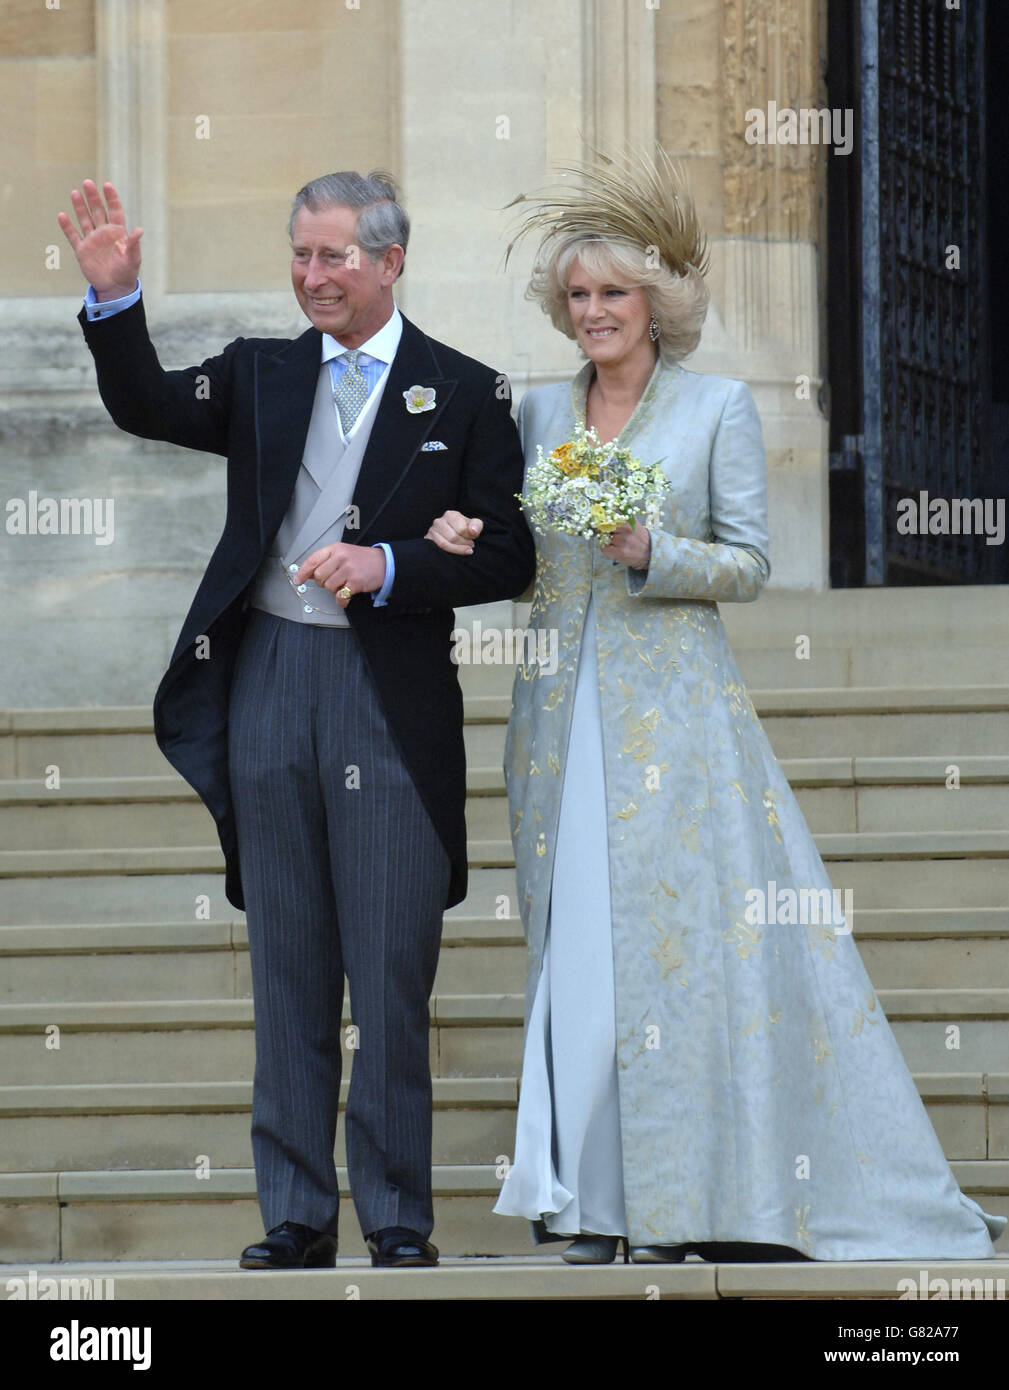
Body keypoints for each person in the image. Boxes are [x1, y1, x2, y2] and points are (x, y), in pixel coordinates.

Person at [426, 151, 1006, 1263]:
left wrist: (653, 550)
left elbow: (746, 562)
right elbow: (511, 549)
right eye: (579, 295)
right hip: (556, 722)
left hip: (678, 725)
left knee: (676, 955)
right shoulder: (536, 409)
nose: (593, 312)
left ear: (657, 306)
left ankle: (676, 1204)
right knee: (579, 958)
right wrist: (460, 539)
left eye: (614, 294)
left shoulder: (714, 408)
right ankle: (590, 1204)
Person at [59, 172, 535, 1270]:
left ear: (389, 262)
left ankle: (400, 1220)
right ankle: (296, 1214)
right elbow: (148, 407)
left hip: (386, 700)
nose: (312, 277)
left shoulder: (464, 391)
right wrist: (116, 304)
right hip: (267, 676)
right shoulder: (261, 372)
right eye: (301, 256)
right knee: (288, 964)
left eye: (334, 258)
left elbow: (511, 551)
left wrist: (391, 563)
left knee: (390, 969)